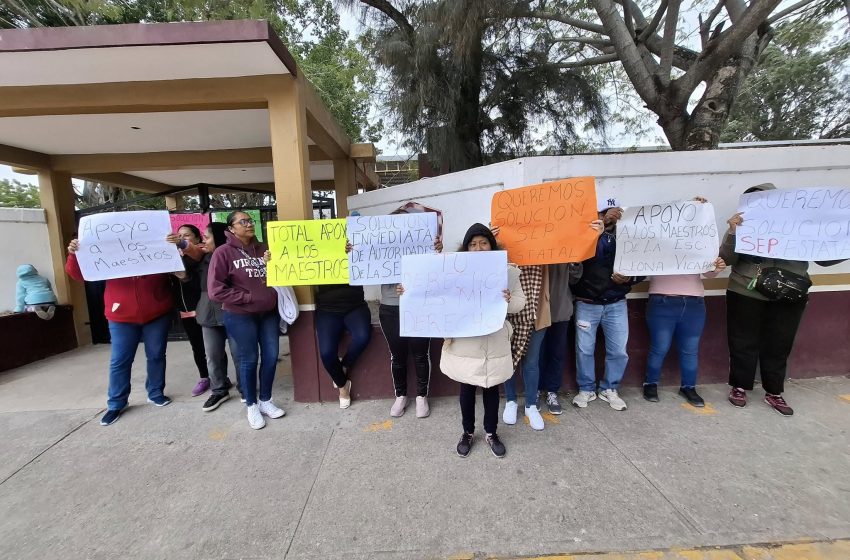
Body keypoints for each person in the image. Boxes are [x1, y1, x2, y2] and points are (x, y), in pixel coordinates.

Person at [721, 183, 843, 416]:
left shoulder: (801, 225)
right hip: (745, 291)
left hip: (790, 292)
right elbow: (726, 258)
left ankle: (774, 391)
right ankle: (739, 386)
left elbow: (825, 258)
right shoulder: (743, 226)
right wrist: (733, 232)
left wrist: (842, 240)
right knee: (741, 340)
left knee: (780, 342)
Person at [429, 223, 526, 458]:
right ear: (466, 249)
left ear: (491, 246)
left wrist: (508, 297)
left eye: (483, 242)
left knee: (492, 388)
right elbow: (436, 294)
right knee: (466, 388)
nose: (479, 248)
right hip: (466, 343)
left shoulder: (508, 272)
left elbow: (519, 304)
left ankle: (491, 432)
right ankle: (468, 432)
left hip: (493, 344)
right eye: (473, 244)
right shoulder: (454, 273)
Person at [65, 235, 177, 426]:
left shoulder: (155, 248)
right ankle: (116, 403)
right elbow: (79, 274)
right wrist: (74, 254)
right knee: (120, 360)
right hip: (121, 316)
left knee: (157, 355)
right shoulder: (109, 254)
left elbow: (179, 268)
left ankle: (156, 392)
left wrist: (174, 245)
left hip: (157, 313)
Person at [642, 197, 726, 408]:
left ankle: (688, 387)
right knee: (659, 347)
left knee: (690, 349)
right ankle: (650, 383)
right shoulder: (657, 239)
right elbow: (641, 266)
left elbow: (709, 274)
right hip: (662, 300)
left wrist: (717, 266)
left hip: (694, 303)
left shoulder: (699, 239)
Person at [208, 211, 284, 430]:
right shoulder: (223, 253)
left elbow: (278, 275)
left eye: (250, 221)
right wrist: (248, 298)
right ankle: (251, 404)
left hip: (267, 314)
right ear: (231, 229)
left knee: (270, 357)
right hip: (240, 315)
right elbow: (215, 291)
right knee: (249, 360)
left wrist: (271, 265)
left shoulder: (262, 249)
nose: (249, 224)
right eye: (243, 222)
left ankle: (266, 400)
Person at [571, 200, 645, 411]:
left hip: (616, 303)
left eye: (613, 211)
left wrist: (629, 279)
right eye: (604, 211)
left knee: (619, 350)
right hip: (587, 303)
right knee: (584, 349)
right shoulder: (586, 234)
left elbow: (644, 264)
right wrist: (600, 229)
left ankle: (609, 388)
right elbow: (579, 263)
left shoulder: (629, 235)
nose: (610, 215)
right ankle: (586, 388)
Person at [195, 222, 239, 412]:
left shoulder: (234, 256)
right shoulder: (202, 258)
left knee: (240, 354)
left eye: (208, 236)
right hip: (208, 315)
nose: (204, 240)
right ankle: (219, 390)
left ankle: (245, 388)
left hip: (234, 313)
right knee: (213, 355)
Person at [314, 282, 372, 409]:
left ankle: (344, 366)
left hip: (355, 306)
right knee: (327, 353)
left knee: (363, 336)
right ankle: (343, 385)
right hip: (327, 309)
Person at [537, 262, 583, 414]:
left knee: (557, 353)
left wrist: (575, 264)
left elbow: (575, 279)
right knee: (536, 355)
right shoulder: (532, 245)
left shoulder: (566, 247)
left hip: (560, 308)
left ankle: (552, 391)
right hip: (536, 309)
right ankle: (534, 390)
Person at [171, 224, 211, 397]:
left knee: (213, 347)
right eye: (179, 235)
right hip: (185, 309)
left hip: (204, 307)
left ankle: (220, 378)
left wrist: (185, 277)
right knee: (197, 346)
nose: (181, 238)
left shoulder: (201, 253)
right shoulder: (171, 256)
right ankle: (204, 377)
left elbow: (197, 277)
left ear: (197, 239)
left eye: (186, 235)